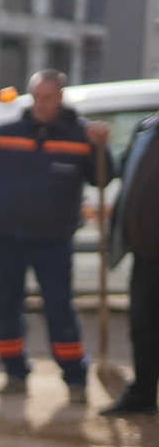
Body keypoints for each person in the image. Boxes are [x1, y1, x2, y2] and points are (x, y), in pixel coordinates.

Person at [0, 69, 113, 404]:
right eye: (37, 96)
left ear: (61, 98)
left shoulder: (81, 137)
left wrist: (101, 148)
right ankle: (14, 372)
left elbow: (102, 179)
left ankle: (75, 377)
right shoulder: (5, 133)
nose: (42, 104)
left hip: (54, 240)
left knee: (59, 308)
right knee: (6, 308)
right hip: (7, 236)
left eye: (48, 97)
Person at [102, 107, 159, 416]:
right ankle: (143, 394)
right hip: (146, 253)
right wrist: (101, 147)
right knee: (143, 325)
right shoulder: (146, 129)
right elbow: (120, 173)